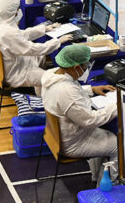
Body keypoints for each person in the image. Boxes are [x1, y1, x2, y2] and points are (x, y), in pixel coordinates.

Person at [40, 44, 118, 184]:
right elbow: (90, 121)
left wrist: (90, 89)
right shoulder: (66, 92)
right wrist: (116, 106)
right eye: (85, 66)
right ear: (76, 67)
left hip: (57, 134)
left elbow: (71, 89)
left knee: (107, 134)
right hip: (74, 143)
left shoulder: (51, 74)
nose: (86, 69)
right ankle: (105, 189)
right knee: (118, 145)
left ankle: (96, 177)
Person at [0, 0, 74, 91]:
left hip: (12, 66)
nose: (19, 11)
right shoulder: (8, 33)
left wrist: (44, 29)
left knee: (41, 58)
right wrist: (58, 42)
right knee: (54, 78)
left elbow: (21, 35)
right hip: (17, 74)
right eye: (17, 8)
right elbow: (34, 49)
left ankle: (40, 85)